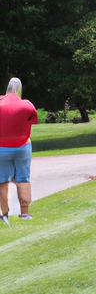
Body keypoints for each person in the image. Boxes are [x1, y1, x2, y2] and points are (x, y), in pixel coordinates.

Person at [0, 78, 38, 225]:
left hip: (1, 147)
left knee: (2, 181)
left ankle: (4, 213)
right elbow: (30, 122)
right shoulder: (27, 105)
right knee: (23, 179)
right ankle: (25, 213)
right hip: (22, 147)